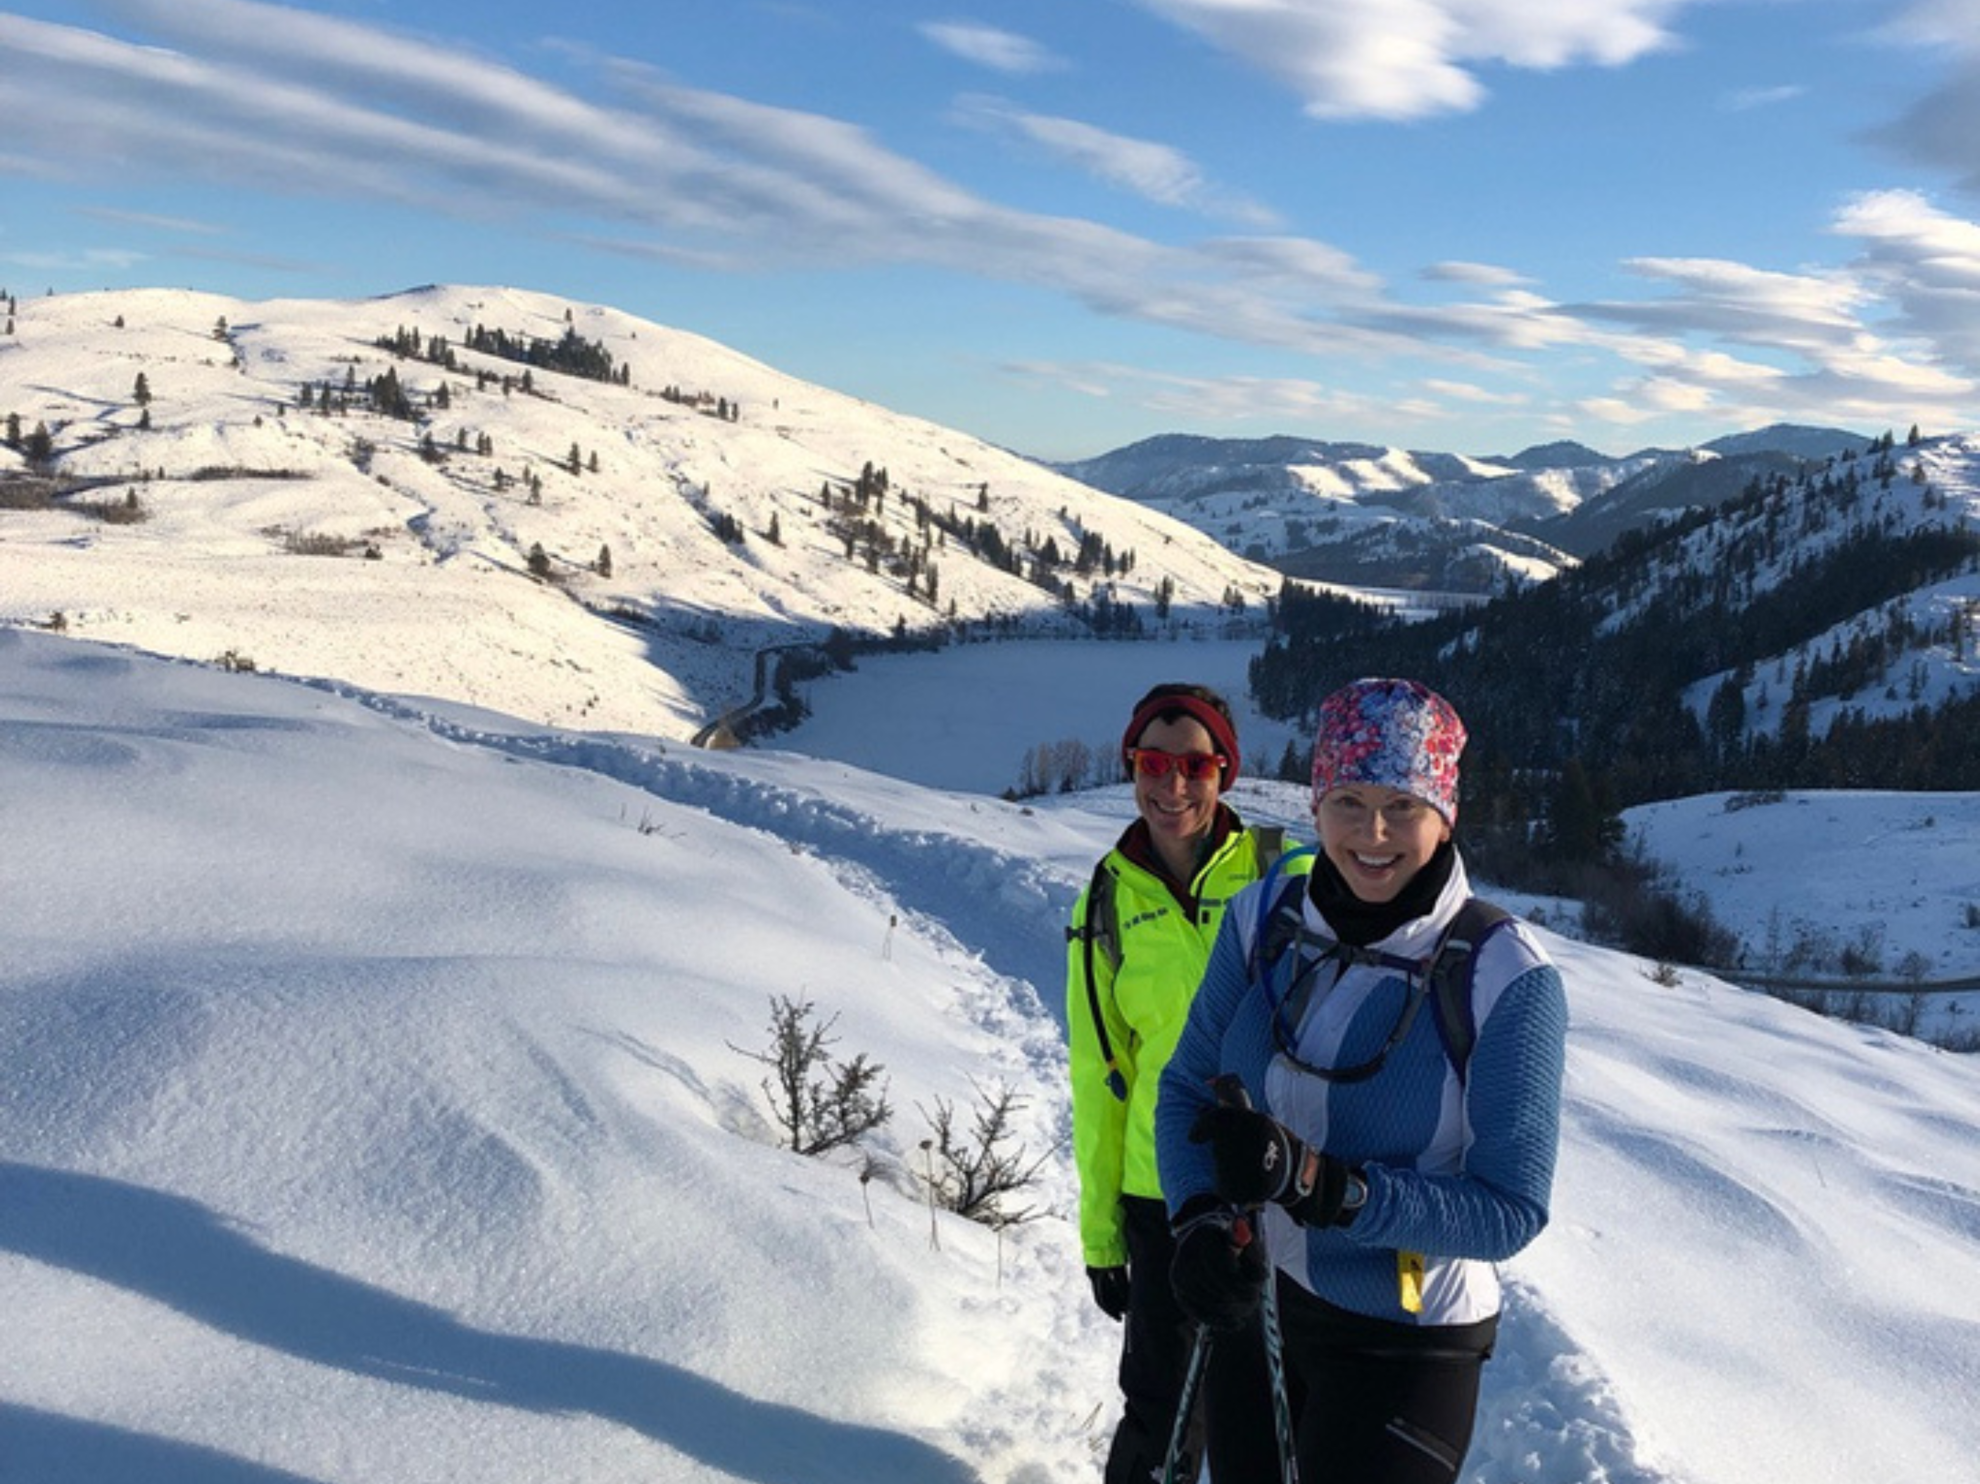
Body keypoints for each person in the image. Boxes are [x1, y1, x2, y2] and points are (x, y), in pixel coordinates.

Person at [1155, 677, 1568, 1484]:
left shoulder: (1504, 975)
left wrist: (1331, 1189)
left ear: (1445, 813)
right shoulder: (1264, 918)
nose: (1372, 832)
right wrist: (1199, 1217)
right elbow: (1186, 1089)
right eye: (1348, 799)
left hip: (1404, 1338)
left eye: (1402, 805)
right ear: (1316, 805)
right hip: (1260, 1297)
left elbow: (1511, 1210)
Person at [1066, 682, 1298, 1484]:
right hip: (1158, 1194)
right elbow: (1099, 1077)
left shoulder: (1284, 876)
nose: (1173, 785)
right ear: (1131, 767)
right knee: (1161, 1411)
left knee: (1273, 1413)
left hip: (1276, 1182)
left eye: (1195, 765)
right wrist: (1102, 1234)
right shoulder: (1105, 896)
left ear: (1225, 772)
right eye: (1153, 763)